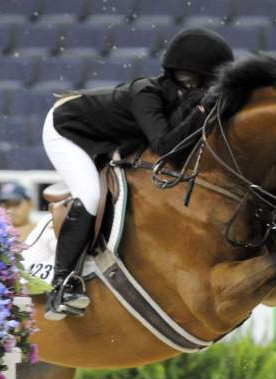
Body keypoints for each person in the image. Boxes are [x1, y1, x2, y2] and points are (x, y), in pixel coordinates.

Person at [42, 27, 234, 320]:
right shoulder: (146, 93)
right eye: (202, 84)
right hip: (65, 131)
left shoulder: (179, 98)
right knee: (90, 195)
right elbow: (167, 146)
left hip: (105, 138)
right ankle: (62, 285)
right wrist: (201, 112)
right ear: (188, 78)